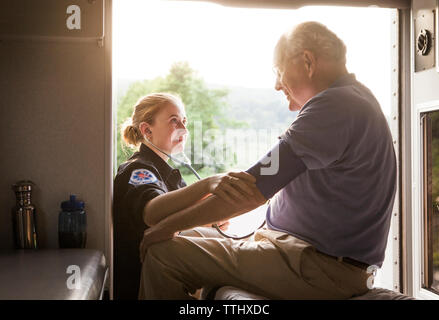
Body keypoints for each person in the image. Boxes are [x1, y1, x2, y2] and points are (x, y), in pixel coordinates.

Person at [138, 21, 397, 300]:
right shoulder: (354, 100)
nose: (276, 84)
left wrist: (168, 226)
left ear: (307, 62)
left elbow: (251, 190)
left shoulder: (336, 106)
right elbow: (263, 183)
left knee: (163, 253)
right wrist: (189, 221)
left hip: (315, 267)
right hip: (301, 256)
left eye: (278, 71)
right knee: (183, 240)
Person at [112, 93, 256, 299]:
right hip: (141, 286)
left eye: (184, 121)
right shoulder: (138, 170)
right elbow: (152, 212)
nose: (184, 129)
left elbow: (178, 216)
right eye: (174, 121)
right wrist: (207, 184)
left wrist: (209, 222)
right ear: (147, 130)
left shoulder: (166, 173)